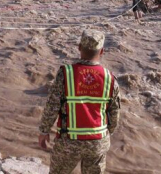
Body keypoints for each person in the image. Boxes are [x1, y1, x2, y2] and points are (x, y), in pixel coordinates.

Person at [38, 30, 121, 174]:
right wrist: (107, 134)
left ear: (79, 47)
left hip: (68, 141)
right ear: (102, 51)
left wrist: (44, 131)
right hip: (98, 141)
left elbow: (52, 106)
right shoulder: (110, 78)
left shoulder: (66, 73)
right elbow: (114, 114)